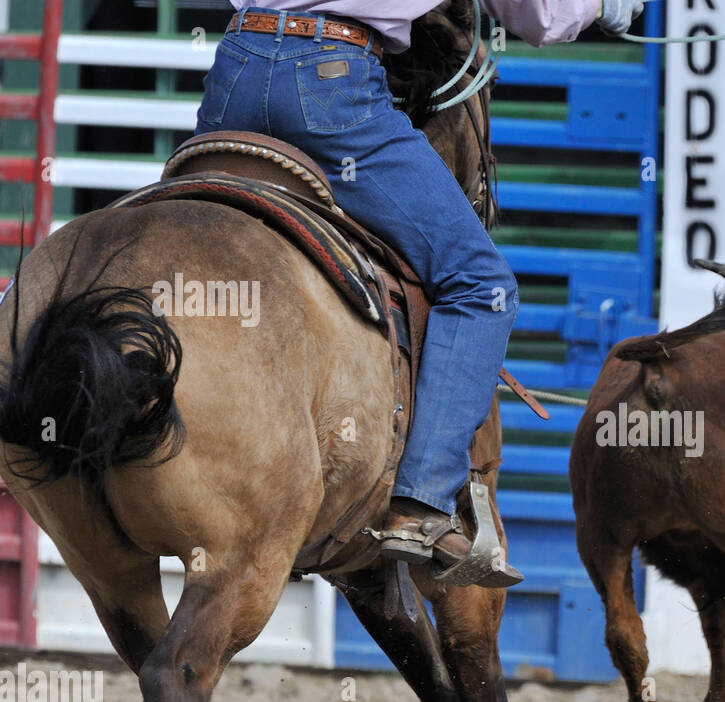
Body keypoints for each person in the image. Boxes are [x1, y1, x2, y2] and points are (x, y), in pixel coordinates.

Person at [196, 0, 643, 585]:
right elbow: (534, 14)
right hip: (330, 84)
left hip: (234, 72)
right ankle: (421, 504)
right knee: (481, 285)